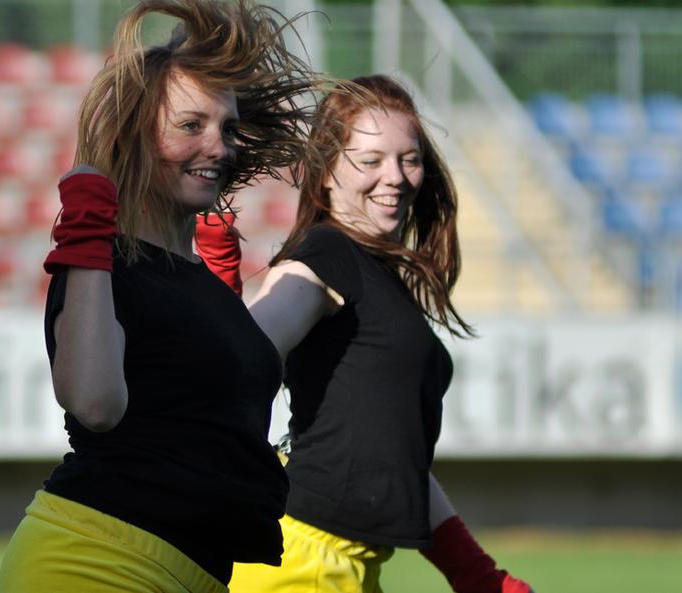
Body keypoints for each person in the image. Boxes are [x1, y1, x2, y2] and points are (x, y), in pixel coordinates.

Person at [0, 0, 325, 592]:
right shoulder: (103, 266)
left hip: (186, 574)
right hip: (93, 564)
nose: (219, 147)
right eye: (191, 125)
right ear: (138, 135)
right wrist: (86, 230)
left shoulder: (195, 276)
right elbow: (94, 403)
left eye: (227, 128)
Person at [199, 75, 533, 593]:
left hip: (346, 566)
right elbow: (246, 356)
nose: (395, 177)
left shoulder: (374, 271)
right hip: (300, 564)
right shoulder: (324, 256)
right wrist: (219, 291)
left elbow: (397, 455)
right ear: (326, 174)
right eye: (370, 160)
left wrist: (477, 575)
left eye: (409, 159)